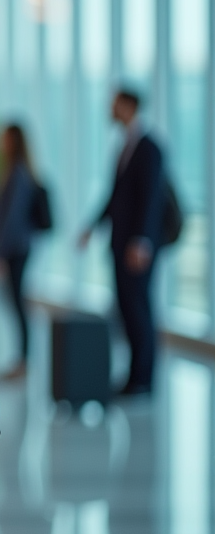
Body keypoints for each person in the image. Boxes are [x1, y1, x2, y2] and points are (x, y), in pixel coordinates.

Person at [79, 89, 165, 396]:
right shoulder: (126, 146)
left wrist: (142, 241)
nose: (110, 109)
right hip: (121, 243)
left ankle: (144, 379)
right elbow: (116, 196)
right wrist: (93, 227)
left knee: (139, 309)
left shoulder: (149, 147)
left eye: (114, 104)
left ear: (129, 106)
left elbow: (151, 198)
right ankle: (134, 376)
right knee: (128, 309)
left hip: (136, 247)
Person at [0, 124, 40, 380]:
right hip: (16, 247)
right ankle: (22, 359)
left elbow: (10, 219)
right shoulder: (14, 171)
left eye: (3, 138)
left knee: (18, 303)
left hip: (16, 249)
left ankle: (24, 361)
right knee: (16, 302)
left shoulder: (17, 174)